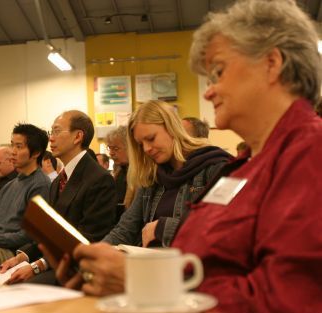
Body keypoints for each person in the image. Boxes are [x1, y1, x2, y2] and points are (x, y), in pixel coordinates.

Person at [45, 1, 322, 312]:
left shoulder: (310, 154)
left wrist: (142, 282)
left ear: (272, 63)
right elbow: (203, 265)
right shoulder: (245, 167)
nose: (208, 91)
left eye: (219, 72)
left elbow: (289, 299)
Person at [0, 110, 117, 284]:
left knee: (21, 286)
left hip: (77, 266)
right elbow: (50, 233)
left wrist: (38, 265)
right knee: (5, 277)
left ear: (78, 137)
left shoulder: (98, 179)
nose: (51, 138)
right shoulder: (58, 181)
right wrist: (22, 257)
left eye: (56, 131)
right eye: (50, 132)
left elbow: (88, 238)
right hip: (56, 260)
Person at [103, 101, 230, 248]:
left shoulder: (216, 166)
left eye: (151, 139)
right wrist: (94, 252)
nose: (146, 149)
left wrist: (163, 228)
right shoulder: (153, 177)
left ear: (172, 128)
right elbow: (125, 229)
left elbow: (224, 229)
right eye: (140, 144)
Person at [0, 123, 50, 264]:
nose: (13, 151)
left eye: (19, 147)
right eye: (12, 145)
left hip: (14, 252)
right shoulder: (8, 186)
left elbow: (31, 235)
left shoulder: (40, 185)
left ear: (36, 153)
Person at [104, 126, 133, 210]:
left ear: (130, 148)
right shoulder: (119, 171)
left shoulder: (140, 174)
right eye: (109, 148)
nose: (111, 153)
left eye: (116, 148)